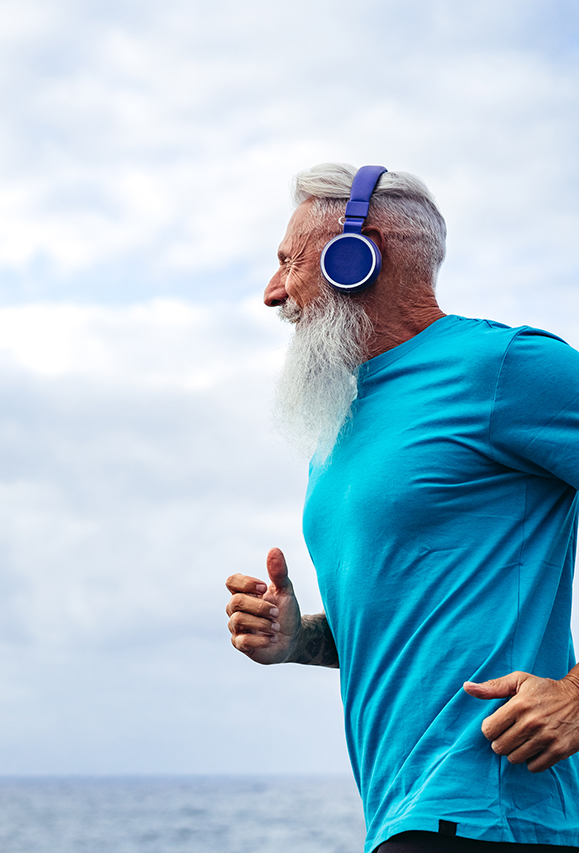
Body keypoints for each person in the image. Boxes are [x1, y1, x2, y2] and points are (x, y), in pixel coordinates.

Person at [225, 163, 579, 852]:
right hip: (400, 813)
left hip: (495, 813)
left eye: (288, 262)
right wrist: (299, 638)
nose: (272, 294)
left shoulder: (503, 367)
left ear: (357, 255)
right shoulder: (339, 427)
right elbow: (416, 620)